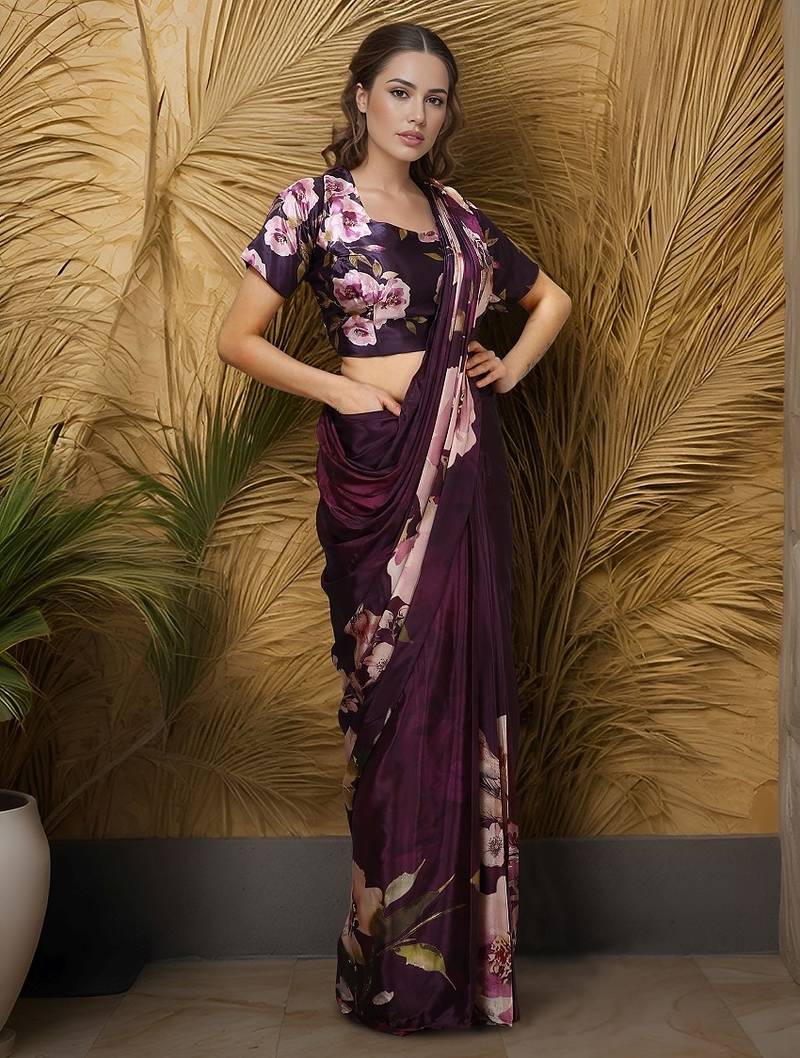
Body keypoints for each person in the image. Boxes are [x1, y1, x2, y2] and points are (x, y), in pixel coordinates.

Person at [217, 21, 572, 1036]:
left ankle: (460, 971)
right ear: (362, 95)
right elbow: (235, 338)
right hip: (373, 477)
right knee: (388, 709)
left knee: (461, 696)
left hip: (460, 472)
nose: (419, 114)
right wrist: (341, 389)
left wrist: (511, 364)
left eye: (436, 99)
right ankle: (389, 972)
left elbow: (551, 299)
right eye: (402, 92)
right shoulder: (312, 205)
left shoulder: (458, 219)